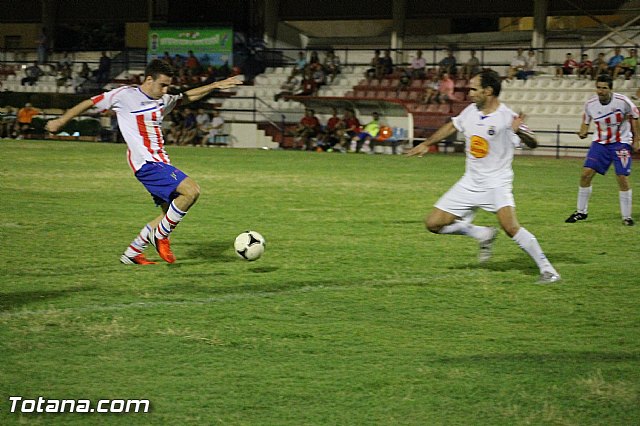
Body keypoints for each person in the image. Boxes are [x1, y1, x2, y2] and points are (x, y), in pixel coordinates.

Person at [44, 59, 242, 265]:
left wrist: (215, 85)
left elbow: (186, 96)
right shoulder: (125, 95)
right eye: (162, 85)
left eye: (168, 86)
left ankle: (133, 252)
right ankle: (160, 236)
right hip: (146, 163)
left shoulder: (162, 99)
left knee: (169, 213)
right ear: (149, 79)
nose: (166, 90)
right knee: (191, 191)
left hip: (160, 161)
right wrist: (61, 121)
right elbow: (89, 103)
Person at [406, 69, 560, 284]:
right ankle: (481, 234)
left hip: (496, 183)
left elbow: (533, 142)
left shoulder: (508, 117)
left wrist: (519, 132)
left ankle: (548, 271)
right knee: (433, 224)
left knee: (510, 228)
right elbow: (452, 125)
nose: (469, 92)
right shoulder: (471, 111)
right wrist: (426, 143)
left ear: (488, 91)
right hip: (470, 181)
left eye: (473, 89)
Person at [565, 74, 639, 226]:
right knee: (585, 174)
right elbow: (585, 123)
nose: (601, 91)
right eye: (598, 88)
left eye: (604, 88)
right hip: (600, 143)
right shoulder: (590, 104)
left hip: (621, 142)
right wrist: (583, 132)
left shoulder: (623, 101)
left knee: (622, 177)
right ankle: (581, 212)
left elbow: (635, 116)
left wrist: (637, 139)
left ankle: (627, 216)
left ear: (611, 89)